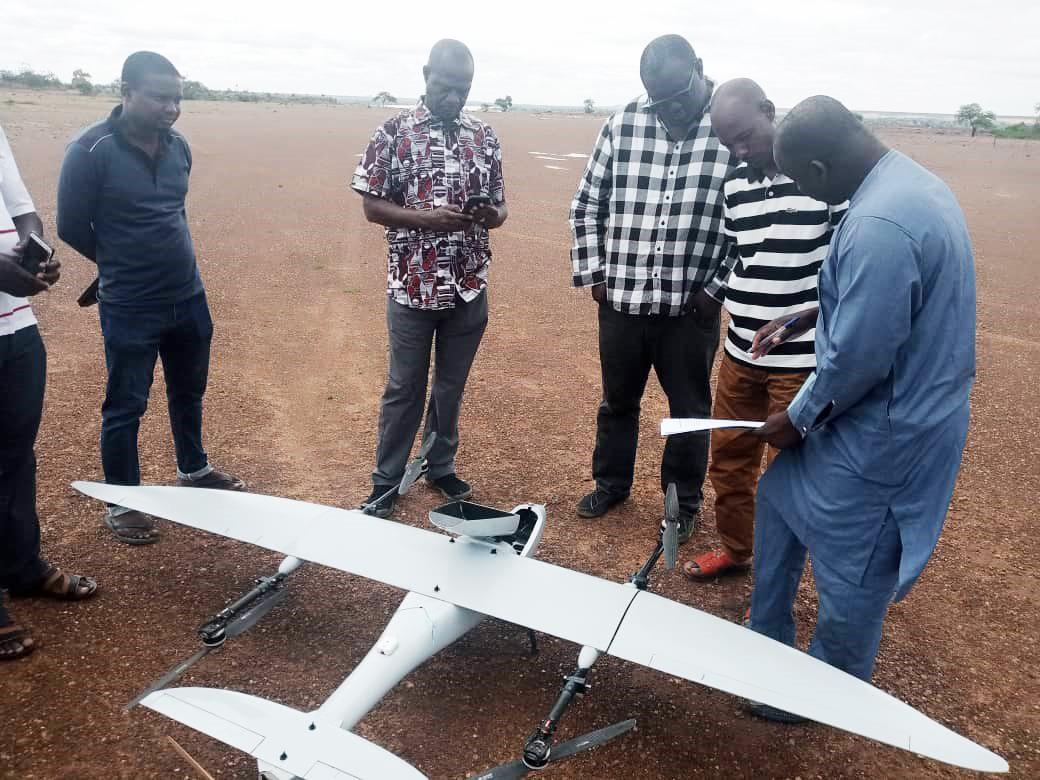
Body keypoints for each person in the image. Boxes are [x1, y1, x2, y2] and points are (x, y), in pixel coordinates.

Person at [745, 96, 976, 717]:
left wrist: (794, 420)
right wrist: (812, 311)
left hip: (887, 430)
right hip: (873, 412)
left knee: (856, 568)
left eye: (797, 178)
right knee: (780, 500)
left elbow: (857, 361)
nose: (798, 188)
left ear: (819, 168)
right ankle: (764, 645)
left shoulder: (878, 224)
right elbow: (887, 300)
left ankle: (826, 690)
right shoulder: (905, 184)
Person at [57, 51, 243, 546]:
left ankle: (194, 469)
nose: (171, 108)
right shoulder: (90, 150)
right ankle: (122, 499)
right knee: (126, 404)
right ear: (127, 91)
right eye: (160, 97)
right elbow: (70, 225)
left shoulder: (179, 146)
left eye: (177, 98)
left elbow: (172, 212)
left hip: (188, 295)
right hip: (131, 304)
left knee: (189, 390)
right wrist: (115, 263)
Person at [569, 35, 732, 537]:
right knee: (618, 401)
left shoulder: (729, 128)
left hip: (691, 307)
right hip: (622, 298)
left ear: (700, 70)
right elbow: (587, 206)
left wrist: (716, 289)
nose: (672, 111)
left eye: (680, 98)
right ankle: (612, 484)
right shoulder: (623, 123)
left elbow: (749, 224)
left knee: (689, 412)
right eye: (660, 102)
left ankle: (682, 505)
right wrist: (595, 273)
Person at [682, 80, 845, 580]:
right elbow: (739, 255)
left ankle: (780, 577)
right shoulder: (734, 184)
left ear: (770, 112)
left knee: (794, 471)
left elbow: (846, 265)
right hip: (739, 352)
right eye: (728, 143)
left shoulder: (822, 181)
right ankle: (737, 549)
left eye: (746, 136)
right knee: (729, 457)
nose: (740, 149)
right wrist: (716, 291)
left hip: (798, 362)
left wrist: (810, 316)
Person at [351, 39, 507, 517]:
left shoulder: (484, 136)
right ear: (425, 75)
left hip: (467, 284)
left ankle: (439, 466)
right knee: (404, 388)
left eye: (463, 90)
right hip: (412, 285)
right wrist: (425, 219)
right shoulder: (393, 133)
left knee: (450, 388)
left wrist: (487, 214)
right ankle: (386, 479)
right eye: (445, 88)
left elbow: (501, 208)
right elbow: (371, 204)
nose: (454, 99)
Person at [1, 122, 97, 660]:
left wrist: (29, 251)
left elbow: (20, 207)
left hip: (13, 323)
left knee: (15, 456)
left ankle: (20, 565)